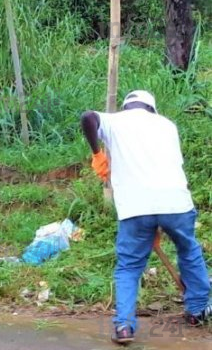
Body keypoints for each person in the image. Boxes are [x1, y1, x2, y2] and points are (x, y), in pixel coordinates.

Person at [80, 90, 211, 344]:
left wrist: (97, 153)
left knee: (129, 266)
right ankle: (197, 310)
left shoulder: (115, 120)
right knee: (188, 250)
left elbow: (87, 117)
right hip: (175, 203)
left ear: (126, 107)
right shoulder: (167, 125)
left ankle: (124, 327)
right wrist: (159, 227)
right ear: (152, 108)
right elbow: (161, 173)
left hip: (135, 208)